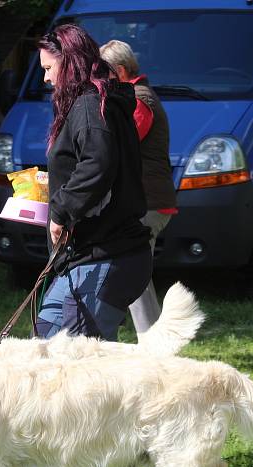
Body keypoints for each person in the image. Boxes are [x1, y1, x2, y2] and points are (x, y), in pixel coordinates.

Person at [34, 25, 151, 342]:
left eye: (48, 68)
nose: (45, 78)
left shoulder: (90, 104)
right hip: (83, 257)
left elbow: (98, 164)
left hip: (107, 255)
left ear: (69, 62)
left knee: (85, 371)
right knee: (43, 346)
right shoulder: (92, 104)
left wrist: (61, 210)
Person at [100, 40, 178, 335]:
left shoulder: (139, 99)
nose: (99, 80)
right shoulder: (136, 96)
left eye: (103, 73)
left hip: (148, 203)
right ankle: (151, 342)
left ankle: (153, 345)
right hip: (147, 201)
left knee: (131, 272)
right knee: (133, 273)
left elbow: (123, 143)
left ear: (119, 71)